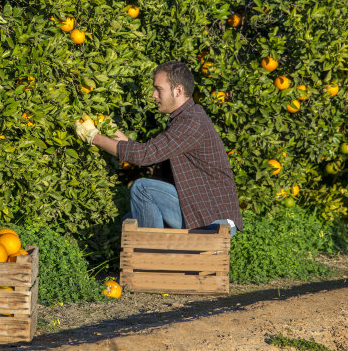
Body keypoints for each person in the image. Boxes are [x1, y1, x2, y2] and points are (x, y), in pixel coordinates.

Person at [74, 60, 242, 237]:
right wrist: (108, 127)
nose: (154, 95)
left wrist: (93, 138)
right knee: (130, 220)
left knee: (142, 189)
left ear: (178, 91)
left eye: (158, 89)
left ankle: (151, 255)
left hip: (214, 221)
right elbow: (144, 150)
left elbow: (144, 155)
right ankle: (153, 254)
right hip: (202, 212)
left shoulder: (191, 122)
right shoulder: (183, 119)